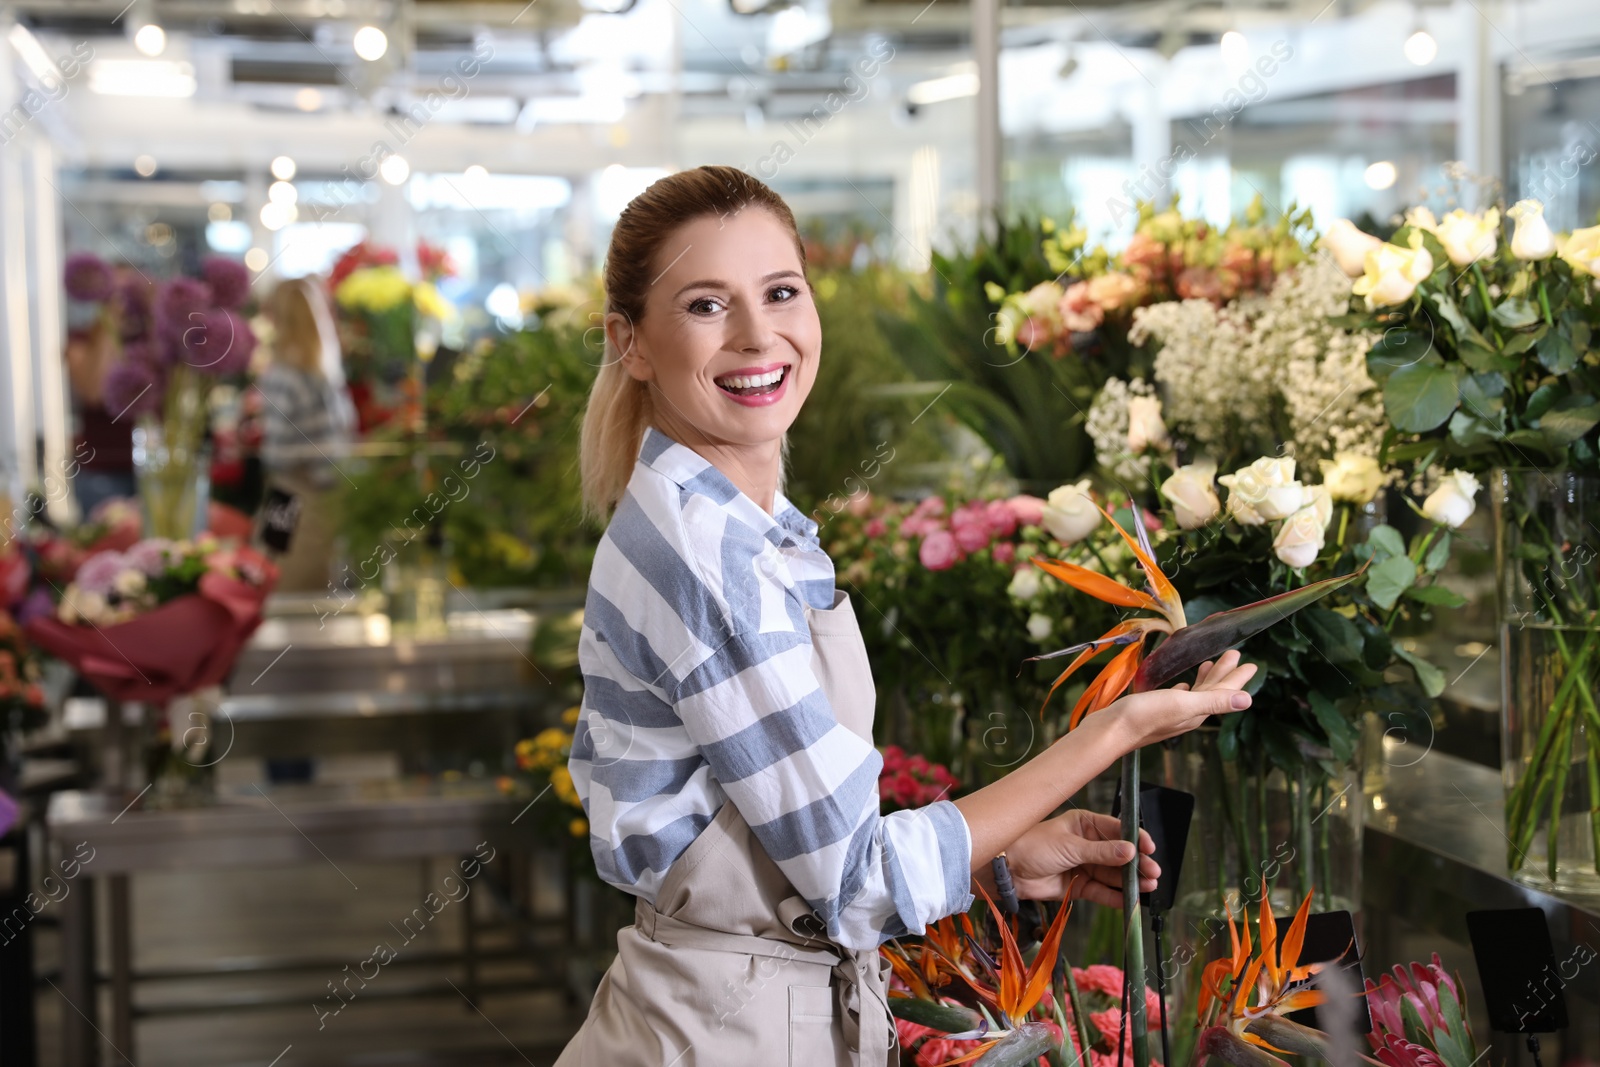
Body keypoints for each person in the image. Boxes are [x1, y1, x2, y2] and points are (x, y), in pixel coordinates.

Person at [557, 166, 1256, 1067]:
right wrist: (1114, 729)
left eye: (780, 292)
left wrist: (1001, 863)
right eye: (704, 305)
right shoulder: (706, 553)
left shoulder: (736, 524)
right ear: (632, 342)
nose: (756, 333)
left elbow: (795, 854)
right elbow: (852, 883)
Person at [257, 278, 355, 592]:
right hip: (310, 491)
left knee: (283, 579)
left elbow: (279, 451)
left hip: (294, 493)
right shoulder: (321, 371)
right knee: (295, 581)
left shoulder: (284, 373)